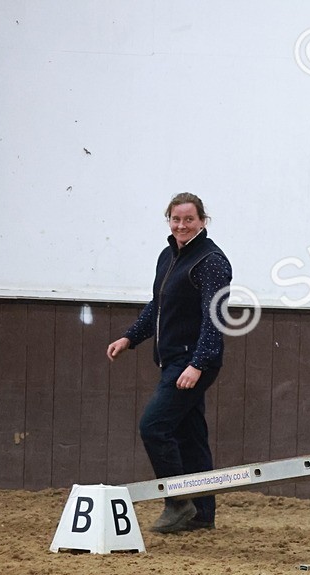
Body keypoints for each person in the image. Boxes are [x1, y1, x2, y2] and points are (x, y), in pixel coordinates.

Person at [106, 193, 233, 533]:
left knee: (154, 426)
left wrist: (198, 364)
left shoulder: (211, 261)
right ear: (169, 221)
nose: (181, 225)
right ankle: (203, 514)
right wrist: (130, 337)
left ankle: (177, 503)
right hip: (174, 359)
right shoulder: (169, 256)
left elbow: (214, 318)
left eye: (189, 219)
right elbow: (157, 306)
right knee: (191, 437)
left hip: (192, 361)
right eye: (176, 219)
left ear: (203, 221)